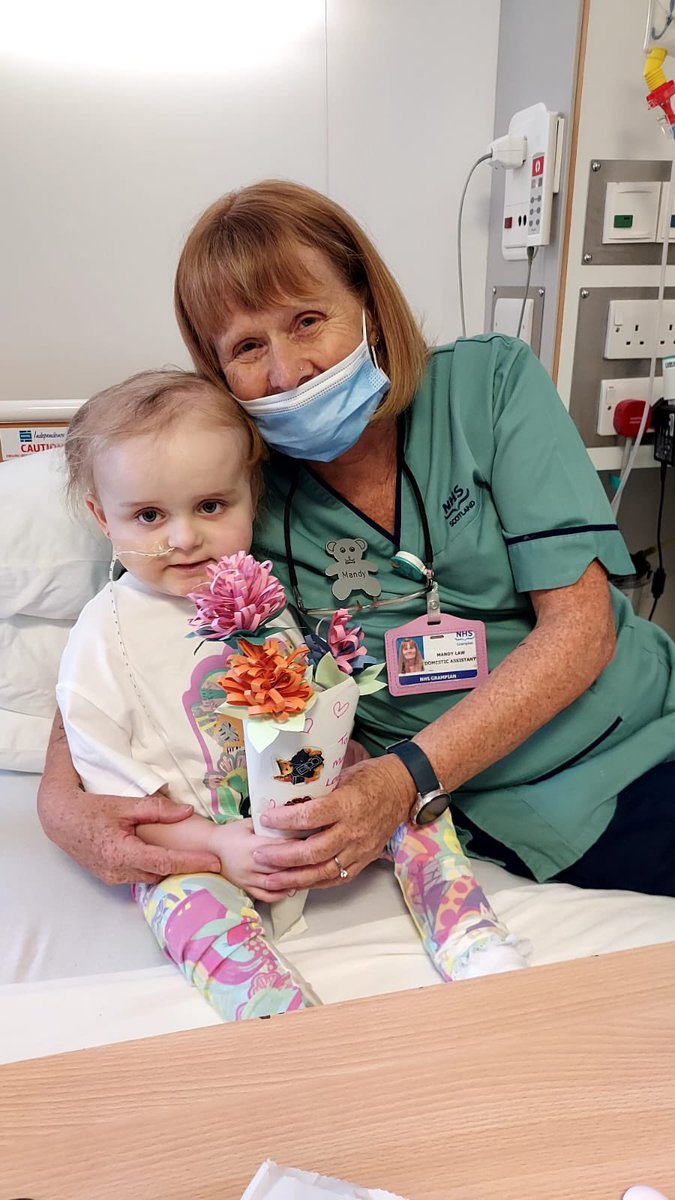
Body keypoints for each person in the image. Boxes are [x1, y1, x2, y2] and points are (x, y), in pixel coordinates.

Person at [40, 180, 675, 902]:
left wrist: (397, 780)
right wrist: (60, 806)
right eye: (248, 346)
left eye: (308, 320)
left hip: (640, 731)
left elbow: (582, 628)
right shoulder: (227, 484)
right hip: (483, 797)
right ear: (217, 369)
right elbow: (122, 626)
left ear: (369, 305)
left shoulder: (489, 386)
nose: (287, 371)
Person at [56, 368, 526, 1023]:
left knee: (410, 799)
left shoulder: (265, 599)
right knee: (179, 901)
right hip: (199, 845)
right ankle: (278, 1015)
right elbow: (114, 788)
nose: (184, 537)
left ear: (252, 495)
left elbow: (311, 694)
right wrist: (215, 847)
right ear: (103, 516)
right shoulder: (102, 640)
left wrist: (343, 754)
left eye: (211, 507)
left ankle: (472, 941)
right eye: (149, 515)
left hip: (303, 805)